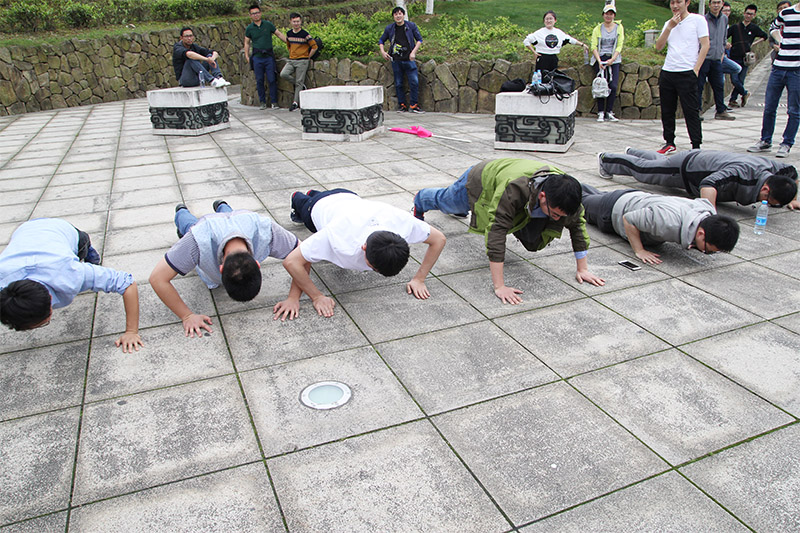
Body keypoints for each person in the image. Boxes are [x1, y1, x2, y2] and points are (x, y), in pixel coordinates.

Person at [412, 159, 605, 305]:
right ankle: (421, 198)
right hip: (482, 179)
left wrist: (583, 269)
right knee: (447, 201)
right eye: (554, 214)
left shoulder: (568, 197)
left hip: (512, 182)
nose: (557, 219)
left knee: (535, 237)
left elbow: (578, 227)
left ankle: (459, 209)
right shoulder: (514, 189)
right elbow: (496, 231)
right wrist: (499, 286)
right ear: (543, 196)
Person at [283, 189, 446, 317]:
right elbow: (292, 262)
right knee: (302, 204)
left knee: (325, 196)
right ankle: (300, 197)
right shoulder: (337, 235)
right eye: (374, 268)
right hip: (318, 207)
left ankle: (314, 193)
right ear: (363, 247)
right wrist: (315, 296)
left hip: (349, 196)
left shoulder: (403, 223)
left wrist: (419, 279)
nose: (374, 271)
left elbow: (439, 239)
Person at [149, 200, 302, 336]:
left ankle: (222, 206)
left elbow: (303, 251)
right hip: (205, 224)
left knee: (230, 216)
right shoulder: (197, 238)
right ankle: (181, 211)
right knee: (188, 223)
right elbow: (157, 279)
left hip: (240, 219)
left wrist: (294, 298)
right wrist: (187, 316)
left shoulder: (265, 229)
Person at [0, 219, 142, 352]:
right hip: (25, 232)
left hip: (61, 229)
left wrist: (131, 331)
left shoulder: (71, 272)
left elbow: (127, 283)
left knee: (86, 251)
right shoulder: (3, 280)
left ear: (50, 298)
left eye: (44, 322)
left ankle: (90, 252)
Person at [581, 185, 740, 264]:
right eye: (707, 250)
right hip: (612, 210)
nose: (704, 253)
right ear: (701, 234)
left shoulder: (706, 212)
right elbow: (629, 219)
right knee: (577, 199)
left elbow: (707, 196)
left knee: (586, 192)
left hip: (635, 198)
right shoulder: (668, 220)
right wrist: (639, 250)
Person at [598, 148, 800, 208]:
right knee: (645, 172)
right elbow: (709, 184)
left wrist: (791, 198)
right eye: (768, 201)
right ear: (765, 189)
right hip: (689, 168)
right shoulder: (742, 171)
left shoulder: (771, 169)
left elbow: (792, 173)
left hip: (702, 160)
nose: (766, 204)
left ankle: (633, 151)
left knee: (658, 165)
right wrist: (707, 213)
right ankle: (606, 159)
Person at [656, 0, 710, 154]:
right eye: (672, 2)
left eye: (678, 1)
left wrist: (696, 68)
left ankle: (696, 145)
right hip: (668, 71)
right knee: (667, 110)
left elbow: (705, 45)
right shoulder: (669, 23)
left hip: (687, 72)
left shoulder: (698, 20)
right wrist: (669, 27)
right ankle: (669, 142)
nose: (675, 5)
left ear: (687, 2)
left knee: (691, 111)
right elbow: (659, 46)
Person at [748, 0, 800, 157]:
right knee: (770, 106)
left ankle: (786, 143)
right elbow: (773, 27)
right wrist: (779, 40)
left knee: (794, 110)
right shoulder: (787, 12)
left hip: (797, 70)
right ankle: (765, 140)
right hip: (779, 66)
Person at [379, 6, 424, 113]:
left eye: (400, 13)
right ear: (393, 16)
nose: (398, 16)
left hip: (409, 59)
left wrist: (413, 52)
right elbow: (381, 40)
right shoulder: (390, 28)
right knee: (398, 83)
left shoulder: (411, 26)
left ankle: (413, 105)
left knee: (414, 82)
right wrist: (383, 52)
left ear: (403, 15)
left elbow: (419, 40)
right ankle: (402, 105)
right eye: (395, 14)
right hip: (396, 60)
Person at [697, 0, 735, 121]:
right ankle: (697, 111)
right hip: (704, 58)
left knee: (719, 85)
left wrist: (722, 52)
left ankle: (720, 111)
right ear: (709, 5)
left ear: (722, 4)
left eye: (718, 2)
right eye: (713, 2)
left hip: (717, 59)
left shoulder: (724, 19)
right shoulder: (703, 20)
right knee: (699, 86)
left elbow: (724, 36)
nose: (716, 5)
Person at [244, 4, 287, 110]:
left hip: (268, 57)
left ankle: (274, 102)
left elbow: (279, 34)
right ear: (250, 15)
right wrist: (246, 56)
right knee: (259, 80)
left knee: (272, 79)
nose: (256, 15)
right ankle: (262, 102)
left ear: (261, 13)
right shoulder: (249, 28)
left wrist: (290, 43)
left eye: (257, 13)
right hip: (257, 57)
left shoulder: (267, 25)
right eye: (253, 14)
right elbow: (247, 43)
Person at [727, 3, 768, 107]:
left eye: (751, 14)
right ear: (744, 13)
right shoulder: (735, 27)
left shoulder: (754, 28)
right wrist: (727, 44)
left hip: (745, 58)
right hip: (734, 57)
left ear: (754, 15)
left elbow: (765, 36)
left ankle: (733, 100)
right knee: (734, 80)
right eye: (747, 13)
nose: (749, 16)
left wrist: (753, 44)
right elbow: (724, 36)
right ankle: (745, 93)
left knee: (740, 80)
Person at [591, 3, 625, 122]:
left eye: (611, 14)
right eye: (607, 13)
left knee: (613, 85)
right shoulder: (598, 29)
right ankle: (600, 111)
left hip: (613, 59)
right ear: (603, 15)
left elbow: (619, 45)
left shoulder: (619, 28)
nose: (608, 16)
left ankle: (609, 111)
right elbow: (593, 45)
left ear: (614, 15)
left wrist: (612, 59)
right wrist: (599, 61)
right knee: (601, 84)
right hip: (600, 58)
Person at [524, 11, 589, 72]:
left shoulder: (558, 33)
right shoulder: (539, 33)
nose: (548, 21)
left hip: (553, 58)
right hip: (542, 59)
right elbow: (526, 41)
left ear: (555, 20)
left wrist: (582, 44)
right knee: (541, 80)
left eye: (550, 19)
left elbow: (570, 40)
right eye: (546, 19)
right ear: (544, 21)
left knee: (553, 79)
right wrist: (534, 52)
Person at [280, 12, 318, 112]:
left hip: (302, 60)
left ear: (300, 22)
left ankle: (295, 103)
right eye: (294, 21)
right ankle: (300, 85)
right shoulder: (289, 33)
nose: (296, 23)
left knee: (299, 82)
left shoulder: (305, 34)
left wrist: (308, 56)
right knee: (283, 74)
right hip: (292, 60)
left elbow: (314, 46)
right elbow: (289, 45)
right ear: (290, 22)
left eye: (298, 21)